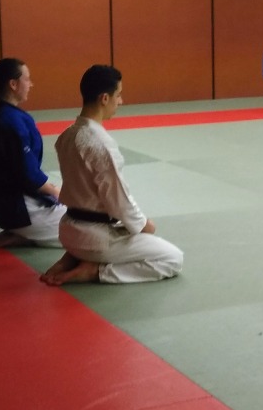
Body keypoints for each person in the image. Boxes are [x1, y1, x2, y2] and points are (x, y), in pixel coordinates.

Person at [41, 65, 183, 285]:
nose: (121, 101)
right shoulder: (100, 144)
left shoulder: (66, 136)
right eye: (119, 95)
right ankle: (95, 271)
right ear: (104, 98)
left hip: (68, 230)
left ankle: (74, 256)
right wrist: (143, 225)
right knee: (172, 258)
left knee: (131, 231)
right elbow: (118, 199)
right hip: (96, 238)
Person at [0, 58, 64, 246]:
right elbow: (28, 175)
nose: (30, 84)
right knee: (87, 224)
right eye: (27, 79)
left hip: (1, 207)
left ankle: (23, 233)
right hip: (22, 210)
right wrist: (57, 191)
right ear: (13, 84)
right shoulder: (12, 121)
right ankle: (26, 234)